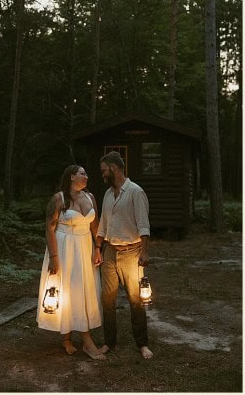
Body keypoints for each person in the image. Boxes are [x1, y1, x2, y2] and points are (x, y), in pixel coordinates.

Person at [36, 165, 105, 360]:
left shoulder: (90, 197)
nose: (87, 176)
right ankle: (82, 340)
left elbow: (95, 224)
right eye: (83, 173)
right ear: (72, 176)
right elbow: (50, 228)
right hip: (65, 248)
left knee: (84, 290)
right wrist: (54, 257)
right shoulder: (59, 199)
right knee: (68, 289)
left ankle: (73, 336)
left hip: (85, 248)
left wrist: (98, 248)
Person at [94, 151, 153, 359]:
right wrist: (97, 248)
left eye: (104, 171)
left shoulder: (135, 192)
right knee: (107, 300)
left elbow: (144, 224)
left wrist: (144, 251)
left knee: (136, 300)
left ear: (114, 168)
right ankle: (109, 342)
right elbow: (102, 224)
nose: (102, 175)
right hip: (109, 252)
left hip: (132, 252)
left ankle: (142, 343)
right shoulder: (108, 194)